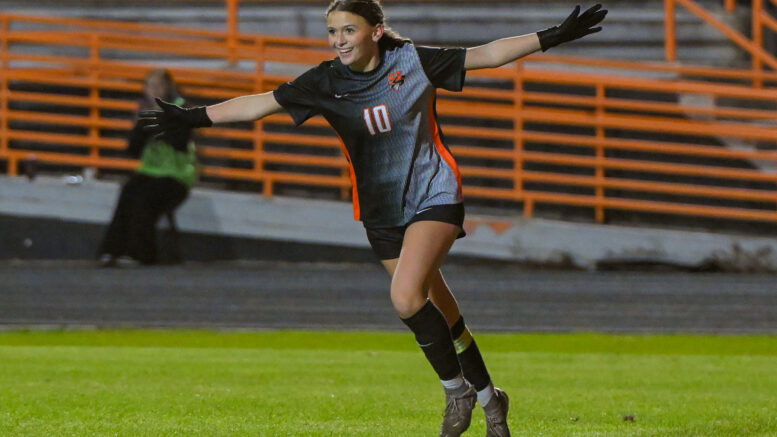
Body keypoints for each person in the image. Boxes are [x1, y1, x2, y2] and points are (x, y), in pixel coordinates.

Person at [139, 2, 606, 435]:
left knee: (405, 297)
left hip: (434, 196)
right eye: (332, 32)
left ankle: (456, 392)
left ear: (375, 31)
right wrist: (193, 117)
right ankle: (490, 399)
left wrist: (553, 36)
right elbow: (260, 103)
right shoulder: (325, 81)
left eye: (348, 29)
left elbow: (488, 54)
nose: (339, 39)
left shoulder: (412, 61)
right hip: (381, 213)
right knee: (439, 309)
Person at [98, 69, 197, 267]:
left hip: (177, 175)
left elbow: (181, 143)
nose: (155, 91)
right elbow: (133, 150)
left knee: (145, 197)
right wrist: (140, 126)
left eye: (159, 86)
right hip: (151, 172)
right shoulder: (144, 112)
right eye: (151, 86)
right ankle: (112, 250)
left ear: (168, 87)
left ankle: (142, 253)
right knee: (128, 191)